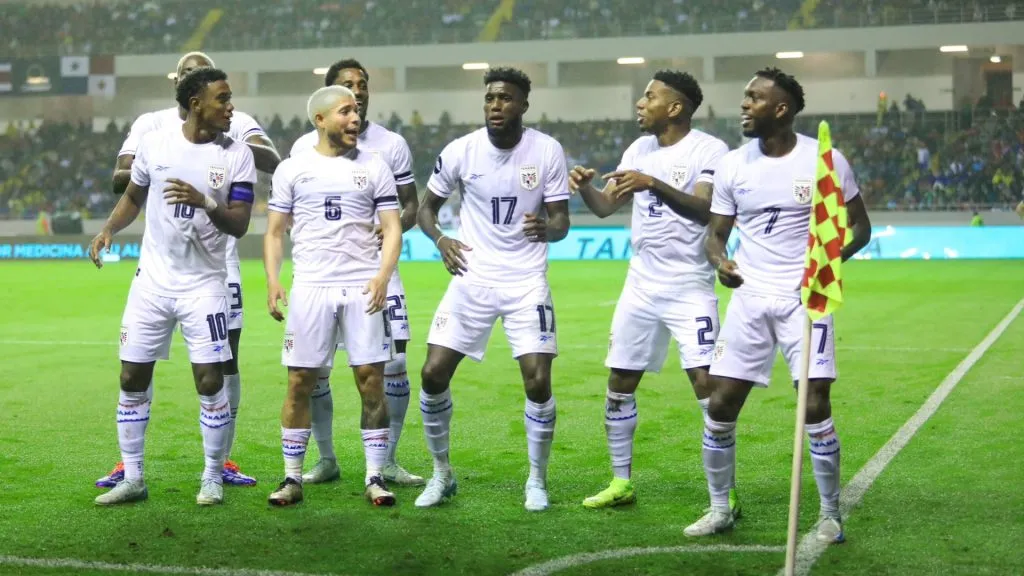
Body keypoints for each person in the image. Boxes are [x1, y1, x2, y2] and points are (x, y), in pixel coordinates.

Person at [684, 67, 872, 542]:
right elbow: (716, 236)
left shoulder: (824, 160)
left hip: (805, 301)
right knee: (720, 404)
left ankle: (830, 514)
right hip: (749, 298)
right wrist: (721, 262)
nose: (743, 105)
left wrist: (828, 264)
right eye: (744, 97)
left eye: (754, 98)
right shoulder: (732, 165)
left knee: (814, 404)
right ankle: (720, 507)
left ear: (781, 109)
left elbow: (860, 229)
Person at [96, 51, 280, 489]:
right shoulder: (154, 137)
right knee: (130, 374)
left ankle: (216, 471)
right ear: (193, 97)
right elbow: (132, 193)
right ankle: (133, 476)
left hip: (207, 280)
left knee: (214, 374)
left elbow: (239, 221)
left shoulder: (236, 152)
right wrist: (107, 229)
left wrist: (205, 200)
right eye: (222, 99)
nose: (231, 107)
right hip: (153, 281)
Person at [570, 70, 739, 512]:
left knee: (709, 388)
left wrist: (653, 184)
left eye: (649, 97)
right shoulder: (638, 149)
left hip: (690, 287)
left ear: (675, 107)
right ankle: (621, 481)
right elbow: (608, 206)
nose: (640, 104)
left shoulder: (708, 149)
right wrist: (586, 186)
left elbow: (707, 211)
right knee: (620, 383)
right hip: (641, 287)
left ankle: (724, 494)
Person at [415, 67, 571, 511]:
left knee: (538, 382)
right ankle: (441, 474)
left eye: (504, 99)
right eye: (489, 99)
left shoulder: (546, 151)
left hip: (526, 281)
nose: (495, 106)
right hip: (473, 277)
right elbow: (428, 208)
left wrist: (548, 227)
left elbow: (561, 221)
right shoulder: (461, 151)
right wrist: (441, 239)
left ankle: (536, 480)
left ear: (523, 104)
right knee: (431, 374)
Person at [263, 85, 403, 507]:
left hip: (361, 286)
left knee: (371, 381)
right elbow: (273, 231)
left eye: (357, 110)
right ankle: (291, 479)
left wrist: (382, 276)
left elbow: (392, 226)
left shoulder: (375, 165)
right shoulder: (292, 169)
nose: (355, 118)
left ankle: (375, 476)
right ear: (320, 120)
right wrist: (273, 280)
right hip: (311, 288)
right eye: (345, 111)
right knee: (300, 382)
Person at [288, 58, 422, 487]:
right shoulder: (301, 150)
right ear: (326, 102)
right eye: (347, 86)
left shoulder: (391, 145)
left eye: (362, 84)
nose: (358, 91)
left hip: (378, 274)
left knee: (393, 364)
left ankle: (387, 462)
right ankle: (326, 459)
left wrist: (392, 229)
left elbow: (411, 205)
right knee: (318, 370)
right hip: (324, 277)